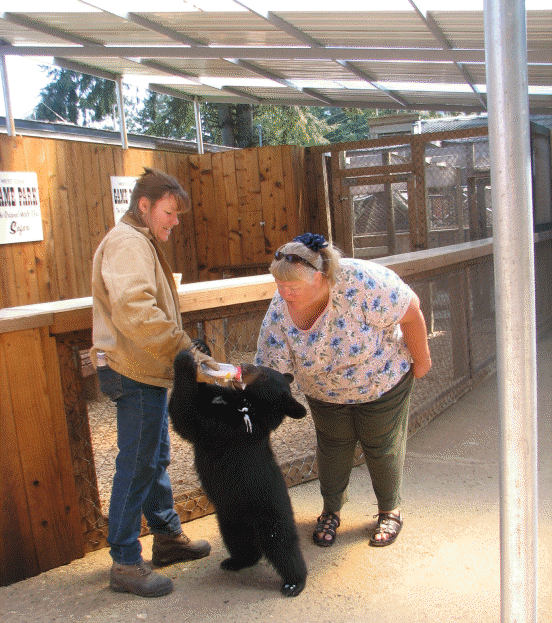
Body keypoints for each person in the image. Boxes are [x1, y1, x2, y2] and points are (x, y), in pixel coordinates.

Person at [255, 232, 432, 548]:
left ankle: (390, 511)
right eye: (279, 286)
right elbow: (272, 365)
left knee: (381, 443)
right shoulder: (281, 306)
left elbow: (411, 309)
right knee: (333, 445)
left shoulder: (362, 281)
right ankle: (330, 511)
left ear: (319, 278)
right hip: (324, 390)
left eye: (292, 287)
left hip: (380, 379)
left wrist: (422, 361)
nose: (283, 293)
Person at [90, 168, 220, 597]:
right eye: (169, 212)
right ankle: (126, 561)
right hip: (132, 368)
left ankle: (165, 537)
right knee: (138, 464)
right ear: (144, 207)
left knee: (154, 456)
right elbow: (137, 312)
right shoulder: (127, 243)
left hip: (144, 366)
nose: (175, 221)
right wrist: (184, 350)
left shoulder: (137, 239)